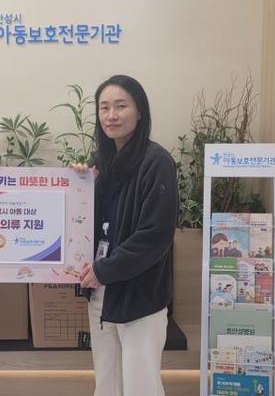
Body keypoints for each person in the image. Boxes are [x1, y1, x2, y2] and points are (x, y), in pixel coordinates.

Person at [76, 75, 178, 396]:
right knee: (107, 384)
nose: (111, 115)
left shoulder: (156, 162)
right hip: (101, 292)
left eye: (121, 106)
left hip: (139, 297)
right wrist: (81, 188)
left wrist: (104, 270)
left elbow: (154, 236)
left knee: (140, 386)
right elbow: (85, 225)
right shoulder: (99, 163)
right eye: (104, 108)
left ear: (140, 111)